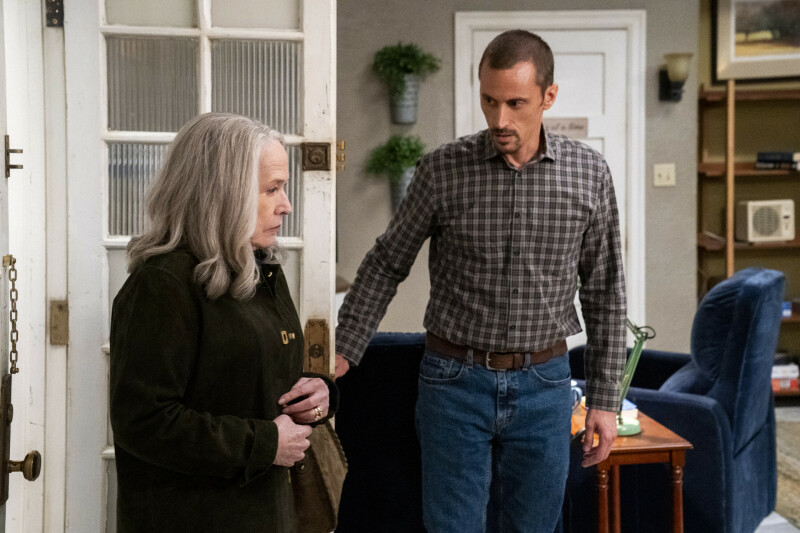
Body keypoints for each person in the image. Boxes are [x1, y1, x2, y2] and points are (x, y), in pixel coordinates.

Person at [335, 30, 626, 532]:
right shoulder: (442, 170)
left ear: (548, 96)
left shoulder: (589, 174)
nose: (499, 119)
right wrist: (345, 345)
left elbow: (605, 292)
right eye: (489, 101)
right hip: (453, 382)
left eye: (516, 103)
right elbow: (387, 261)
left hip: (545, 384)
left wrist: (605, 399)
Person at [109, 112, 337, 532]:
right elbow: (142, 422)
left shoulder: (262, 269)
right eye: (272, 189)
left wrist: (318, 394)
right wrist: (265, 443)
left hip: (265, 512)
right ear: (224, 193)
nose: (286, 205)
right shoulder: (161, 284)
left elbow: (257, 382)